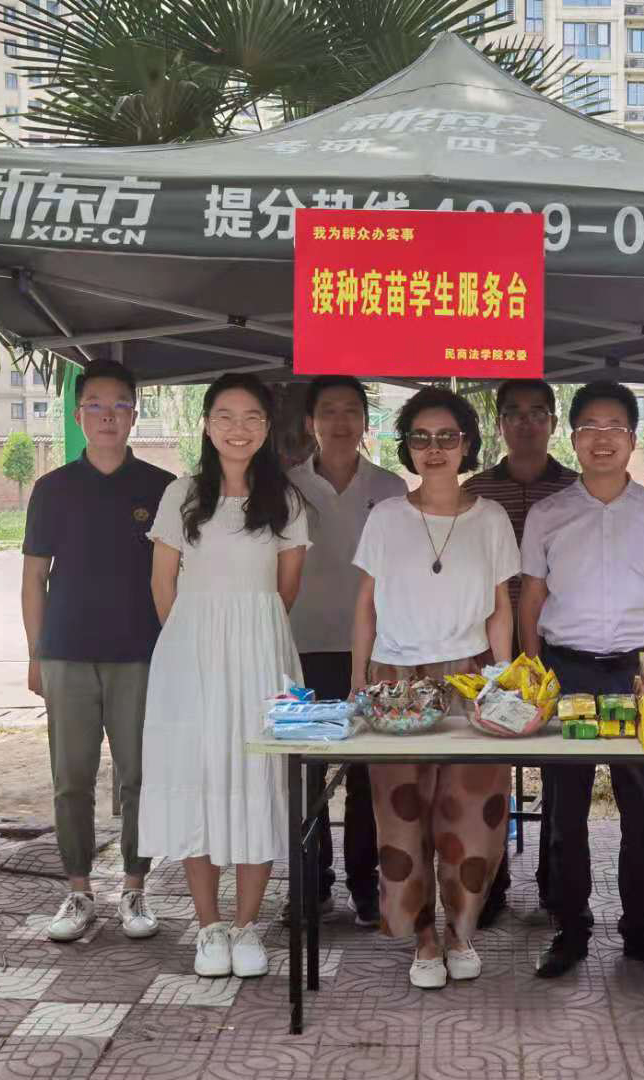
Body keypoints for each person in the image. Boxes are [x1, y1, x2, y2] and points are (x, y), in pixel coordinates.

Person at [519, 380, 644, 979]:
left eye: (615, 427)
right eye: (589, 427)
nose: (602, 438)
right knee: (564, 810)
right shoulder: (548, 514)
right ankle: (570, 929)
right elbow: (531, 597)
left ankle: (641, 931)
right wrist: (534, 674)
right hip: (566, 670)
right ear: (572, 437)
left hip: (636, 671)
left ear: (633, 439)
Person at [140, 373, 309, 978]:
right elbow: (163, 583)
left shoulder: (285, 500)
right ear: (207, 425)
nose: (239, 429)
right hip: (191, 657)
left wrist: (249, 638)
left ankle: (246, 926)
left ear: (268, 428)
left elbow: (285, 590)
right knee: (200, 779)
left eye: (252, 417)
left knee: (258, 779)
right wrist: (191, 644)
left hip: (262, 652)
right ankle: (209, 926)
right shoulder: (181, 494)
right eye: (226, 416)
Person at [350, 388, 519, 989]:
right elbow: (366, 605)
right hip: (395, 679)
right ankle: (422, 937)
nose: (435, 448)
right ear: (407, 447)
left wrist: (505, 681)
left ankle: (461, 932)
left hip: (470, 676)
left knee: (474, 815)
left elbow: (501, 608)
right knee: (402, 813)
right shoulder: (386, 517)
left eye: (448, 436)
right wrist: (358, 679)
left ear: (468, 443)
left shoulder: (491, 518)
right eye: (421, 437)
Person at [21, 359, 173, 943]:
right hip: (67, 652)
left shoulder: (162, 488)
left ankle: (135, 889)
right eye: (96, 406)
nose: (108, 416)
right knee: (71, 778)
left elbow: (175, 577)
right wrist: (36, 653)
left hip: (140, 655)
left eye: (120, 406)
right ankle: (78, 891)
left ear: (134, 415)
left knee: (140, 777)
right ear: (78, 414)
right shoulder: (53, 489)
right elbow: (34, 578)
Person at [287, 374, 407, 928]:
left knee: (366, 776)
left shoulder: (391, 488)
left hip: (372, 652)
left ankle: (365, 885)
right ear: (310, 422)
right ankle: (311, 885)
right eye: (328, 411)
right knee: (305, 775)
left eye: (351, 411)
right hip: (300, 649)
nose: (340, 422)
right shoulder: (284, 487)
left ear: (365, 420)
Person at [461, 378, 578, 926]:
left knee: (560, 770)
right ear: (499, 422)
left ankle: (556, 885)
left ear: (553, 422)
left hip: (555, 641)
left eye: (537, 413)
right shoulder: (475, 492)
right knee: (486, 769)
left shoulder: (578, 489)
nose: (526, 423)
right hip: (485, 644)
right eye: (514, 413)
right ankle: (489, 887)